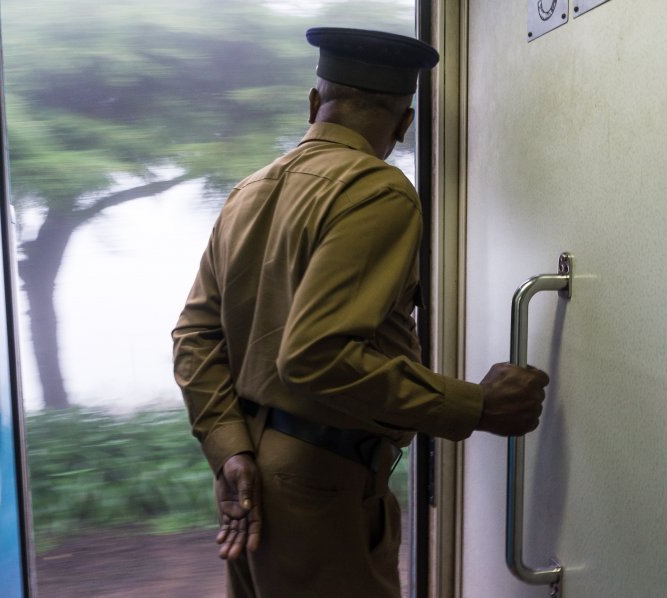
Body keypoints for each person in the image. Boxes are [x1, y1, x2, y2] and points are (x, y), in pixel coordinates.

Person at [172, 27, 549, 598]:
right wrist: (478, 406)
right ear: (404, 125)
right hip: (319, 482)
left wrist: (230, 450)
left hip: (251, 474)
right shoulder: (379, 191)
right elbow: (316, 356)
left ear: (314, 102)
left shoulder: (248, 191)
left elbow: (195, 336)